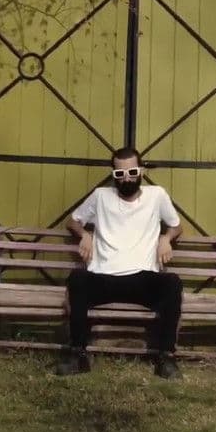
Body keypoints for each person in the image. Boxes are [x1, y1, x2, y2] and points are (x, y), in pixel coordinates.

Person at [56, 147, 184, 379]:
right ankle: (78, 355)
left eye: (132, 172)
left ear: (141, 171)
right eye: (120, 174)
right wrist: (85, 234)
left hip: (142, 279)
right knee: (78, 279)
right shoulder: (100, 196)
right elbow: (72, 222)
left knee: (172, 283)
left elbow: (177, 226)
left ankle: (166, 357)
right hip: (104, 278)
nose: (127, 178)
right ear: (113, 174)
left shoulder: (157, 196)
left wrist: (166, 238)